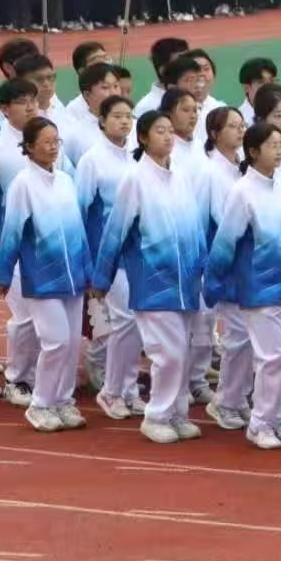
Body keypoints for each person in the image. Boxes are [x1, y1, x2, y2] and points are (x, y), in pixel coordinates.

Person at [91, 108, 210, 444]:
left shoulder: (181, 176)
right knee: (167, 354)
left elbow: (195, 228)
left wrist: (203, 268)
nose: (168, 136)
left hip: (185, 282)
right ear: (143, 138)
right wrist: (102, 278)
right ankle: (156, 416)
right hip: (152, 281)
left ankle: (177, 414)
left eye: (170, 130)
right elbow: (115, 232)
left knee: (182, 352)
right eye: (160, 131)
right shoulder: (135, 179)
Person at [203, 121, 281, 450]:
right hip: (259, 288)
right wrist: (213, 284)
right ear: (253, 151)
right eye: (272, 145)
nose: (279, 151)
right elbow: (225, 242)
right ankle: (260, 424)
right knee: (271, 358)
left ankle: (277, 419)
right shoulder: (242, 192)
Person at [0, 117, 90, 431]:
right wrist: (3, 273)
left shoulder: (66, 181)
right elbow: (11, 232)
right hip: (42, 277)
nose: (52, 147)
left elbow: (78, 231)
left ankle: (62, 401)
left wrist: (87, 271)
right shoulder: (22, 185)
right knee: (55, 342)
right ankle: (41, 404)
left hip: (73, 277)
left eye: (56, 141)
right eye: (46, 142)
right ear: (29, 147)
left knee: (71, 344)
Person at [76, 95, 142, 416]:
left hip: (137, 255)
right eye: (117, 116)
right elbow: (80, 211)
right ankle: (112, 390)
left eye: (129, 115)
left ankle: (129, 388)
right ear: (102, 121)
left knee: (136, 323)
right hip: (108, 255)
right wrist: (88, 263)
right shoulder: (92, 160)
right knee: (123, 322)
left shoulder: (138, 157)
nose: (124, 121)